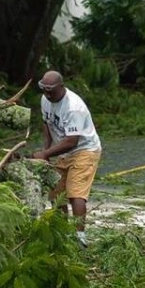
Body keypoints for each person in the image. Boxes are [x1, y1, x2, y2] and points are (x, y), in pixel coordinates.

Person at [32, 70, 101, 248]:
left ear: (61, 87)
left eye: (51, 91)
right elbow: (46, 124)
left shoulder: (73, 107)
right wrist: (46, 150)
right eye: (44, 90)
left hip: (84, 150)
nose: (47, 94)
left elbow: (72, 141)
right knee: (56, 192)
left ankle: (80, 237)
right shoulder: (45, 100)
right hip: (62, 151)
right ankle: (62, 233)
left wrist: (46, 154)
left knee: (74, 192)